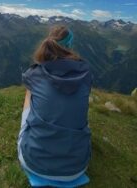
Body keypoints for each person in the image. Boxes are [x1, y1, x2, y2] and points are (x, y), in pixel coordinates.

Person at [17, 25, 92, 182]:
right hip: (77, 168)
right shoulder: (85, 74)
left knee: (29, 92)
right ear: (70, 45)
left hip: (34, 163)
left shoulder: (34, 73)